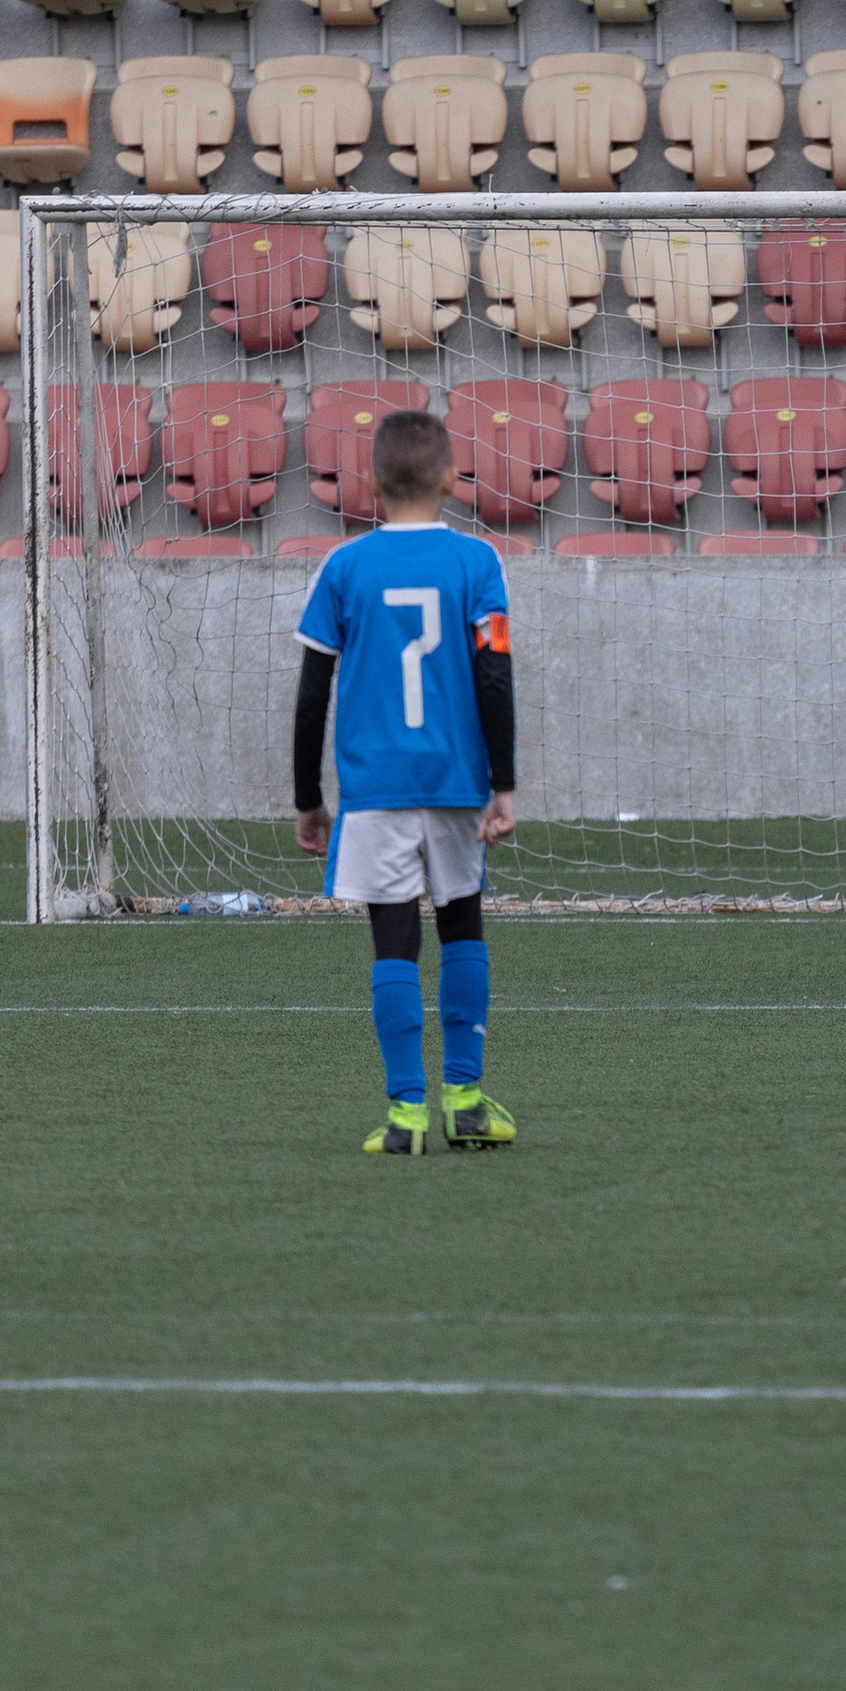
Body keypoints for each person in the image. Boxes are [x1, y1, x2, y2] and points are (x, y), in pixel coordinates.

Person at [292, 407, 518, 1156]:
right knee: (462, 928)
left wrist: (307, 798)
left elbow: (312, 692)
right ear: (453, 479)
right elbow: (494, 676)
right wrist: (504, 783)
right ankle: (468, 1101)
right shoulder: (477, 563)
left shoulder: (345, 567)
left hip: (375, 788)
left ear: (370, 483)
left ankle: (407, 1116)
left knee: (393, 944)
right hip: (455, 782)